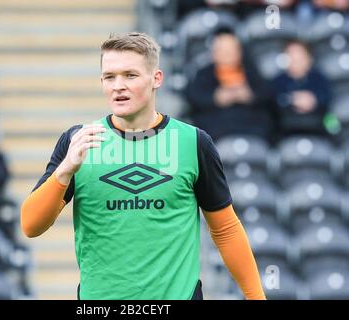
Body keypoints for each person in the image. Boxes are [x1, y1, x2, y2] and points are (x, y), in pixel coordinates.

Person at [21, 32, 266, 300]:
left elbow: (226, 229)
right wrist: (65, 171)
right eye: (109, 77)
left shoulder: (193, 142)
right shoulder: (78, 141)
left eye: (130, 75)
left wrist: (256, 297)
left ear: (156, 79)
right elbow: (31, 226)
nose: (118, 86)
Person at [185, 28, 273, 142]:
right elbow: (192, 95)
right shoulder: (204, 74)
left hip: (251, 128)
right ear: (214, 53)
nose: (228, 55)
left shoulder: (251, 71)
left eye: (231, 50)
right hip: (217, 128)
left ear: (239, 52)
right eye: (223, 50)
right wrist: (216, 98)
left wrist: (249, 95)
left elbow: (268, 93)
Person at [272, 40, 331, 137]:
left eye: (300, 56)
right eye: (291, 56)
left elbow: (327, 98)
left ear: (309, 58)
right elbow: (272, 101)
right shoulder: (277, 81)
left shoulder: (320, 79)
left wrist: (313, 100)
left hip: (317, 129)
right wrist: (291, 99)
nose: (295, 60)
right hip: (285, 130)